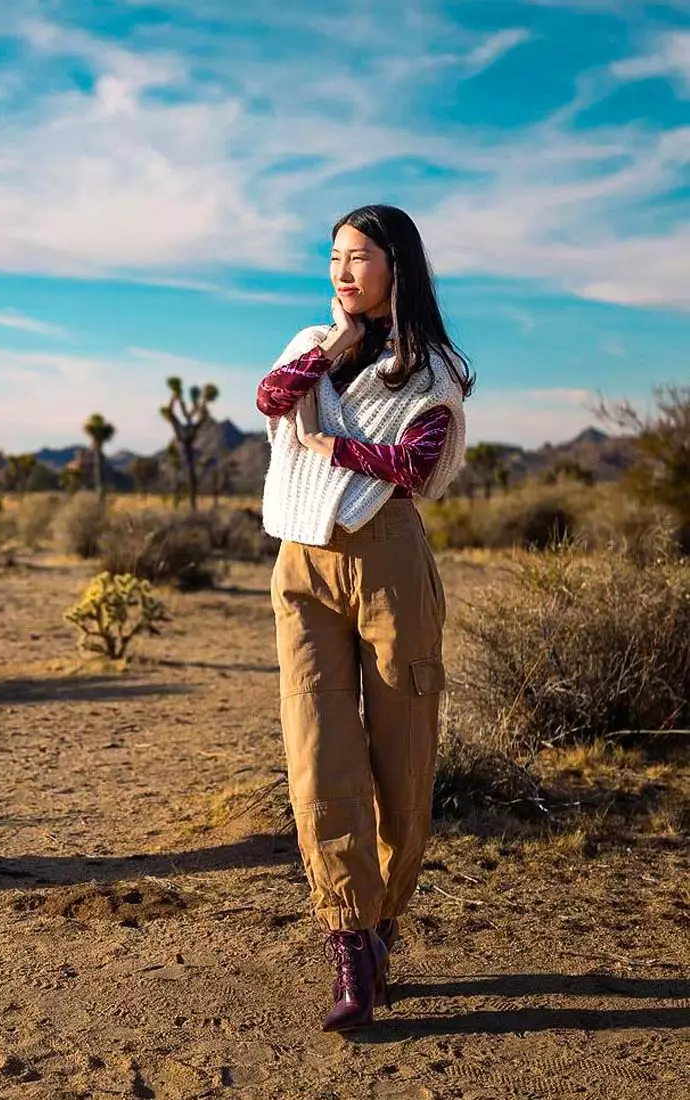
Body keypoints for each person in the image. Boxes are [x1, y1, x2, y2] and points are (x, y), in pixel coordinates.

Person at [255, 204, 473, 1032]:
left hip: (388, 559)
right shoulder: (311, 345)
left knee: (402, 757)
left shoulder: (434, 369)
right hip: (302, 561)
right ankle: (347, 936)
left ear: (398, 267)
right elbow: (273, 397)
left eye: (360, 258)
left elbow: (416, 467)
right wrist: (337, 346)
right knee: (317, 753)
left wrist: (332, 447)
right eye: (335, 258)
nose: (344, 272)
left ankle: (382, 920)